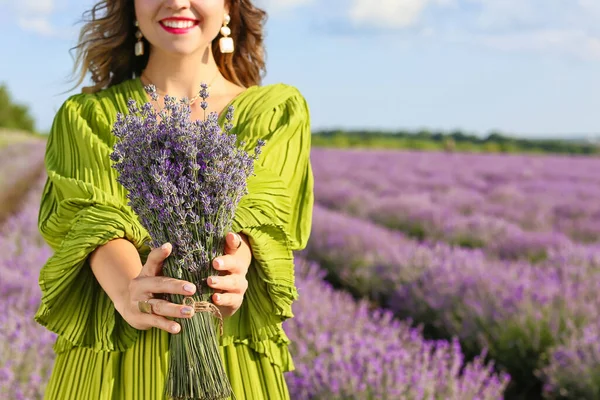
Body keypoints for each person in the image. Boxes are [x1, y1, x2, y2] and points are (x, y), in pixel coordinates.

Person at [34, 0, 314, 399]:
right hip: (114, 363)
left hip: (229, 354)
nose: (178, 0)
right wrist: (134, 290)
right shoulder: (86, 117)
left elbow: (266, 211)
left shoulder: (275, 114)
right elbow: (90, 217)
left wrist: (232, 269)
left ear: (230, 7)